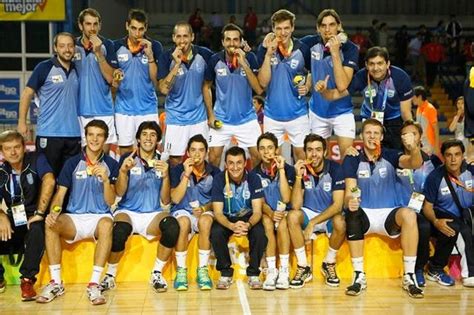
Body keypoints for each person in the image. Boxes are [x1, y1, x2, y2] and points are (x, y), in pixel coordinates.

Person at [36, 120, 119, 305]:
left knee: (107, 224)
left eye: (99, 135)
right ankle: (56, 282)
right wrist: (55, 212)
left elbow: (111, 201)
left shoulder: (112, 164)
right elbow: (60, 194)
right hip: (74, 218)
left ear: (105, 138)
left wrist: (106, 181)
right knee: (50, 223)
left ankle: (94, 284)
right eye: (91, 135)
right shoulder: (72, 162)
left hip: (100, 217)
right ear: (85, 137)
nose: (95, 139)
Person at [342, 118, 424, 298]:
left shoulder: (392, 155)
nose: (372, 136)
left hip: (389, 215)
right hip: (364, 214)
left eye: (376, 133)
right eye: (368, 132)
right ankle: (358, 276)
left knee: (409, 215)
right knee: (351, 211)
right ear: (361, 136)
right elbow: (350, 190)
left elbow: (415, 163)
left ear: (381, 136)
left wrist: (414, 148)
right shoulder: (352, 158)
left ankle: (409, 276)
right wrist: (350, 200)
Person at [100, 121, 179, 293]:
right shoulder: (127, 159)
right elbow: (119, 193)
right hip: (128, 211)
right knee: (119, 231)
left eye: (152, 134)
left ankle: (157, 273)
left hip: (153, 213)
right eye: (144, 134)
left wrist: (166, 177)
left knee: (172, 227)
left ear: (157, 139)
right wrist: (122, 172)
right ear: (138, 138)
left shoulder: (163, 162)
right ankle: (110, 275)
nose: (148, 138)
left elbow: (166, 201)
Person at [316, 46, 413, 150]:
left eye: (380, 63)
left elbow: (406, 112)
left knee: (396, 154)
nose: (376, 68)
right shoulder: (361, 77)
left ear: (388, 64)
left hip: (394, 120)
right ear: (366, 65)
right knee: (372, 154)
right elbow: (336, 95)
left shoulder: (400, 77)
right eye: (372, 64)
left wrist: (412, 133)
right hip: (369, 119)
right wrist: (323, 91)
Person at [0, 131, 55, 301]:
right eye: (8, 149)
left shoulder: (37, 159)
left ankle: (27, 280)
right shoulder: (2, 171)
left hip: (33, 215)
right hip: (13, 217)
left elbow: (50, 180)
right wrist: (1, 215)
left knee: (37, 229)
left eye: (17, 147)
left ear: (24, 148)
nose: (13, 152)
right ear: (2, 152)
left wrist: (39, 212)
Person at [17, 32, 81, 177]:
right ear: (55, 48)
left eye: (70, 46)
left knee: (69, 181)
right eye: (62, 46)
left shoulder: (78, 69)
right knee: (47, 180)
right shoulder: (44, 67)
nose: (67, 49)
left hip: (74, 135)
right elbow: (27, 94)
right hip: (49, 134)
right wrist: (22, 122)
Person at [288, 134, 346, 288]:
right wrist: (298, 178)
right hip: (307, 212)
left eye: (318, 150)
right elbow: (295, 205)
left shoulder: (335, 169)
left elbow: (338, 205)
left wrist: (313, 223)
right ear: (304, 152)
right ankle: (303, 266)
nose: (314, 154)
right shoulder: (301, 169)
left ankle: (329, 262)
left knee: (341, 221)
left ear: (325, 152)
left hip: (328, 215)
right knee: (292, 216)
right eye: (310, 150)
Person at [300, 9, 359, 159]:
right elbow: (309, 69)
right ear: (318, 28)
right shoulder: (310, 43)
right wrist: (308, 83)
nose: (327, 29)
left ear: (339, 26)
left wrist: (335, 53)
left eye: (332, 25)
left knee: (348, 157)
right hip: (318, 112)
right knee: (317, 160)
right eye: (323, 25)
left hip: (342, 112)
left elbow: (343, 85)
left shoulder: (350, 48)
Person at [204, 23, 263, 167]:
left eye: (235, 39)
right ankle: (216, 188)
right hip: (222, 119)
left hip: (247, 119)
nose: (232, 43)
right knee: (212, 158)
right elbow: (206, 86)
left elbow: (259, 89)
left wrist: (244, 64)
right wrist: (211, 115)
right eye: (228, 40)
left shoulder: (250, 58)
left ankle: (252, 187)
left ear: (241, 41)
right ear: (223, 42)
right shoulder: (215, 60)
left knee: (258, 156)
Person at [210, 146, 267, 290]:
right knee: (216, 233)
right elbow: (217, 213)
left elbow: (257, 212)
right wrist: (231, 226)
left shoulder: (254, 179)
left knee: (260, 233)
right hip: (226, 217)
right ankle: (225, 273)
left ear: (245, 163)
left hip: (248, 217)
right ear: (226, 164)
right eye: (231, 163)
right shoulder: (219, 179)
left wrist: (248, 225)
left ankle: (254, 273)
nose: (235, 167)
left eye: (239, 163)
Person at [257, 9, 311, 162]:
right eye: (279, 28)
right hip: (272, 115)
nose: (283, 32)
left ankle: (301, 186)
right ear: (273, 29)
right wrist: (268, 54)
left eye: (286, 28)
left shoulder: (302, 49)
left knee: (302, 156)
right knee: (274, 159)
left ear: (292, 28)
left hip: (298, 114)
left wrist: (307, 85)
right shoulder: (264, 48)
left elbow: (312, 71)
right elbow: (262, 82)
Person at [158, 22, 213, 167]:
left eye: (185, 36)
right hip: (176, 118)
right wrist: (176, 65)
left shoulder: (204, 55)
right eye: (179, 37)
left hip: (198, 118)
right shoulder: (166, 57)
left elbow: (207, 86)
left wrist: (210, 115)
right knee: (175, 161)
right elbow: (163, 89)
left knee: (201, 159)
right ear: (173, 38)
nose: (182, 41)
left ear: (192, 37)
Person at [170, 135, 221, 291]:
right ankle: (181, 271)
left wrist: (205, 208)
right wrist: (186, 174)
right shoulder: (178, 169)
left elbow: (217, 200)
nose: (197, 154)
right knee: (183, 223)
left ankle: (203, 271)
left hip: (205, 212)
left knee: (205, 221)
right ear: (187, 152)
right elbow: (175, 198)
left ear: (206, 153)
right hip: (182, 210)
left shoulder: (215, 172)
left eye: (201, 150)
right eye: (193, 150)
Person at [395, 120, 442, 286]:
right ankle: (418, 269)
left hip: (425, 206)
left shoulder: (433, 161)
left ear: (420, 137)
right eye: (405, 134)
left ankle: (437, 267)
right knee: (423, 226)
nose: (409, 138)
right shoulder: (396, 158)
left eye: (413, 134)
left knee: (451, 224)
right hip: (402, 209)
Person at [422, 139, 474, 287]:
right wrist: (435, 222)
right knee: (456, 229)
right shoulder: (435, 177)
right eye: (449, 155)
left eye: (457, 154)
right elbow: (427, 207)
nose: (453, 159)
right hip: (443, 214)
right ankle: (469, 274)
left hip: (468, 214)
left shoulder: (471, 170)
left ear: (463, 156)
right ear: (443, 157)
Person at [113, 9, 162, 154]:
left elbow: (156, 80)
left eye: (141, 29)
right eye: (133, 28)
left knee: (150, 149)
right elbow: (113, 81)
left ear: (146, 28)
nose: (137, 33)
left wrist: (150, 56)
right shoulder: (116, 46)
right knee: (125, 150)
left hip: (147, 109)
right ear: (127, 26)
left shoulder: (155, 46)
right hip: (123, 108)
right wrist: (116, 78)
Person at [253, 132, 295, 290]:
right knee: (266, 222)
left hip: (285, 212)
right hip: (266, 212)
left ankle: (284, 270)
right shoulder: (253, 174)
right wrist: (270, 213)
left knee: (283, 222)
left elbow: (286, 198)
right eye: (262, 148)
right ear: (258, 151)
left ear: (276, 149)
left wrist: (282, 171)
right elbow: (259, 202)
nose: (266, 152)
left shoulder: (288, 169)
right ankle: (271, 270)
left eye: (270, 148)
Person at [75, 8, 118, 152]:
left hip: (103, 110)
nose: (92, 28)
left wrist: (99, 52)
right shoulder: (72, 47)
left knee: (103, 158)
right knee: (83, 159)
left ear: (100, 26)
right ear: (81, 26)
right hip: (79, 112)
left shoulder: (108, 45)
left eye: (95, 24)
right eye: (88, 24)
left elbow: (111, 79)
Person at [413, 86, 440, 156]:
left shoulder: (430, 108)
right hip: (422, 143)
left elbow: (436, 129)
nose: (412, 99)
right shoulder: (418, 109)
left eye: (413, 97)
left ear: (419, 97)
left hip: (430, 144)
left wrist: (436, 146)